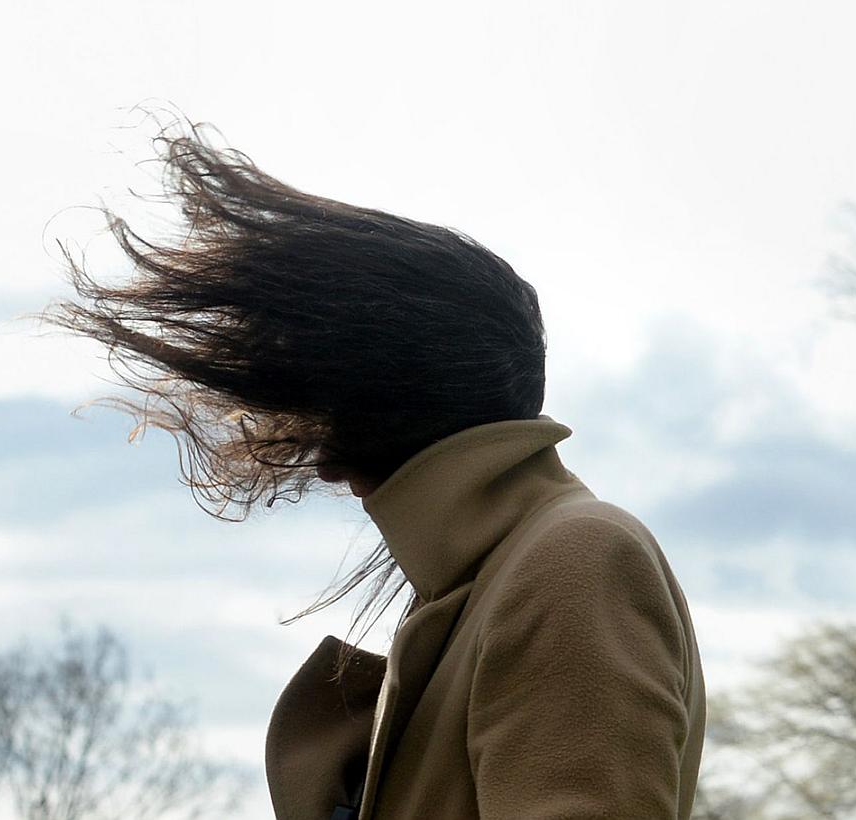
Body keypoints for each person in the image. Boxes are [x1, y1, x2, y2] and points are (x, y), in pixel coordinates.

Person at [48, 121, 706, 819]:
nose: (285, 413)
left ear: (370, 379)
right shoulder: (480, 582)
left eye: (300, 370)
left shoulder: (574, 558)